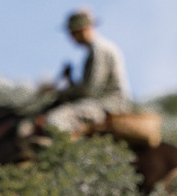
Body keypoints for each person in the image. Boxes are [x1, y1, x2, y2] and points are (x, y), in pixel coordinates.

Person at [40, 8, 133, 137]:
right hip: (101, 101)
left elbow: (90, 90)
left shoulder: (100, 50)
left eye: (73, 33)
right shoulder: (95, 50)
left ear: (83, 29)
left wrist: (59, 92)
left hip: (110, 104)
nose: (72, 38)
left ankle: (67, 154)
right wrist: (70, 81)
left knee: (55, 121)